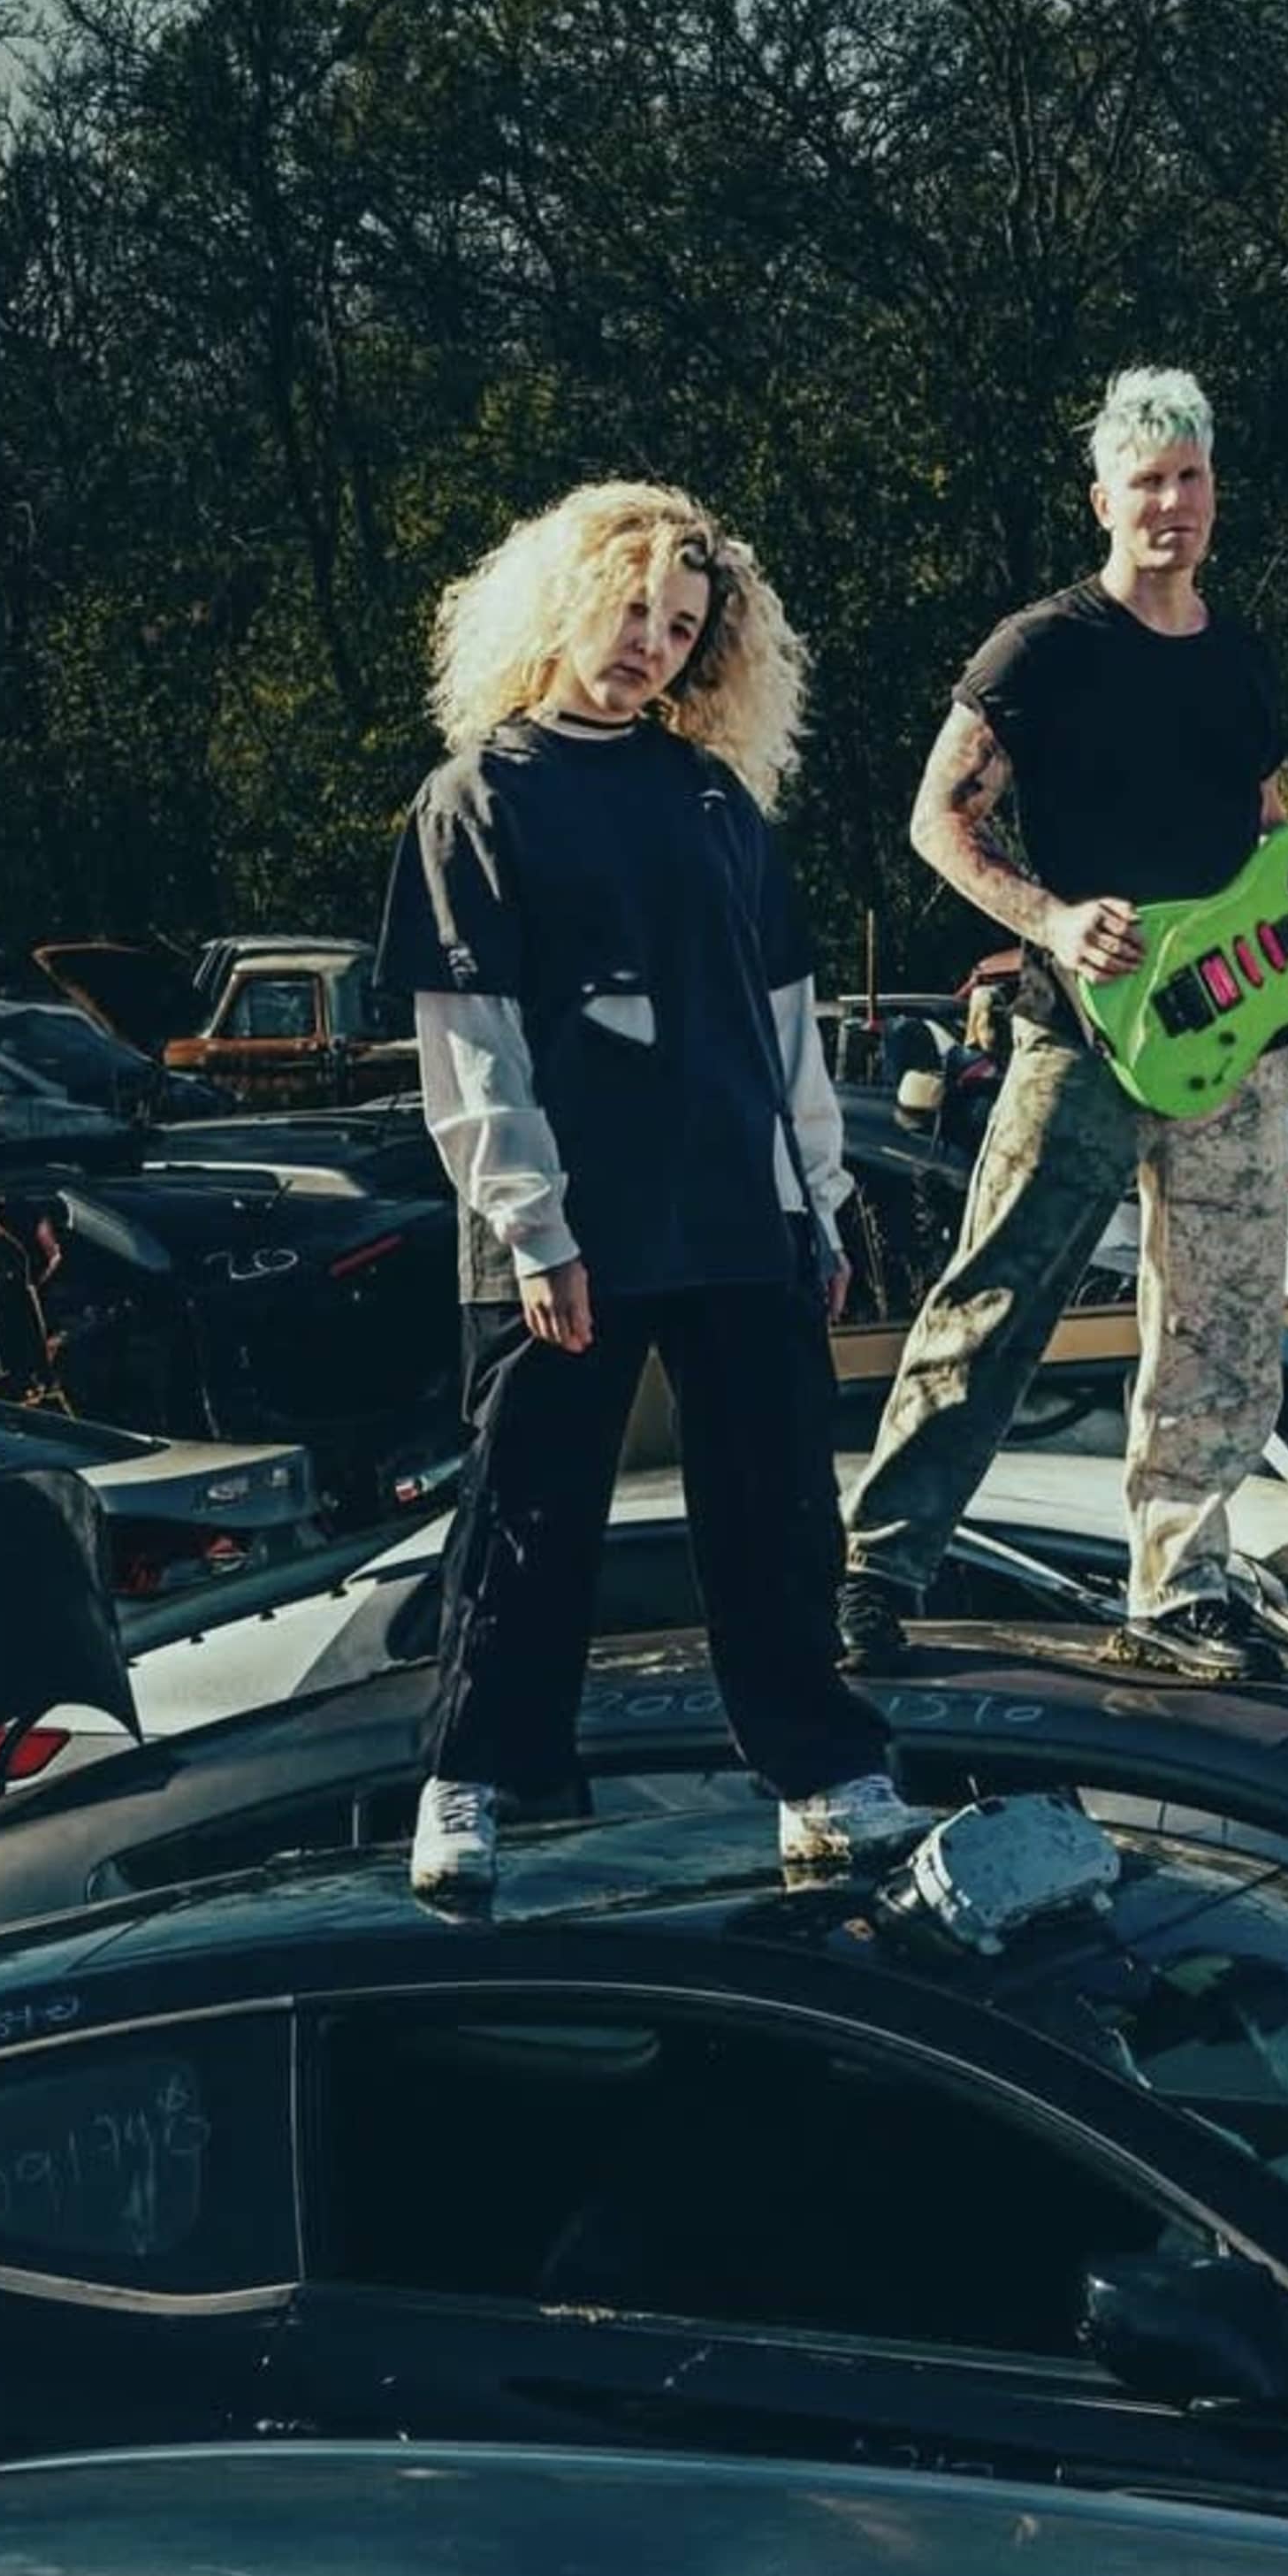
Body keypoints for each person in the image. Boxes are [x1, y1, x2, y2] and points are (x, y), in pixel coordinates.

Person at [375, 478, 915, 1903]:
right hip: (567, 1233)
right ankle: (469, 1782)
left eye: (680, 629)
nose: (650, 646)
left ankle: (820, 1772)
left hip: (740, 1216)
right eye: (630, 612)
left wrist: (819, 1195)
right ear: (564, 604)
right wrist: (531, 1227)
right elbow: (470, 1043)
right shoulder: (478, 798)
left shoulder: (716, 801)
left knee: (778, 1504)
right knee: (527, 1511)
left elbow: (786, 1018)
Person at [840, 366, 1288, 1679]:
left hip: (1237, 1047)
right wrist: (1048, 919)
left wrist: (1277, 951)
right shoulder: (1040, 649)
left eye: (1191, 479)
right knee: (998, 1293)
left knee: (1220, 1325)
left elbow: (1276, 830)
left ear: (1216, 494)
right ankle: (879, 1569)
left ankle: (1181, 1593)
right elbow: (939, 820)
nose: (1172, 504)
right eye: (1147, 482)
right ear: (1104, 499)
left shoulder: (1241, 656)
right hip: (1079, 1032)